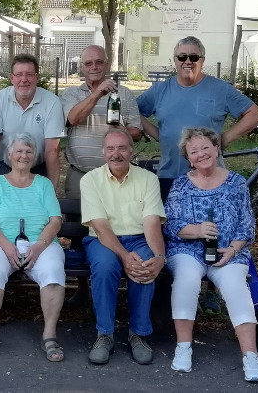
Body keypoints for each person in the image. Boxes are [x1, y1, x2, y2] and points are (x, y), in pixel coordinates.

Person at [163, 127, 258, 382]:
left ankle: (250, 356)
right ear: (188, 157)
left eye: (205, 148)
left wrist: (232, 250)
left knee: (234, 285)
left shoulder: (237, 183)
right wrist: (196, 230)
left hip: (228, 252)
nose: (201, 154)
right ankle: (184, 347)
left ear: (216, 148)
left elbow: (247, 226)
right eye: (193, 151)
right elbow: (170, 224)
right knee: (186, 278)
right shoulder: (181, 185)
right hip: (187, 251)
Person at [0, 132, 65, 362]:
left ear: (34, 157)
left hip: (39, 242)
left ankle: (50, 334)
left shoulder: (43, 184)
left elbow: (55, 220)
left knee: (53, 269)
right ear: (9, 155)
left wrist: (40, 246)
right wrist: (6, 247)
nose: (23, 155)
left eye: (28, 151)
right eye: (19, 151)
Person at [138, 35, 258, 202]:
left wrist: (225, 138)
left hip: (210, 177)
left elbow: (255, 114)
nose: (187, 61)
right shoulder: (159, 90)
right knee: (170, 227)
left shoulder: (220, 89)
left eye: (194, 57)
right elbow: (130, 110)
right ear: (175, 60)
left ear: (202, 60)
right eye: (182, 56)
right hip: (169, 175)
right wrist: (157, 133)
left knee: (208, 227)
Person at [80, 127, 166, 366]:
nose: (115, 154)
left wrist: (159, 256)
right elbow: (100, 226)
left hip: (139, 237)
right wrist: (124, 255)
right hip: (102, 240)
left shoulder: (148, 179)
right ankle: (104, 334)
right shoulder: (90, 180)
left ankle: (138, 333)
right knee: (105, 267)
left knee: (145, 265)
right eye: (110, 148)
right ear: (103, 152)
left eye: (121, 148)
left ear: (131, 151)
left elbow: (151, 223)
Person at [62, 45, 142, 198]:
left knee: (116, 221)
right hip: (80, 174)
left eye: (99, 62)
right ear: (81, 67)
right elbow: (74, 119)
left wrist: (123, 131)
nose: (94, 67)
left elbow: (137, 133)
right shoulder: (72, 93)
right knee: (77, 220)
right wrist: (98, 93)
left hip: (117, 175)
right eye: (88, 63)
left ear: (106, 64)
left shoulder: (124, 94)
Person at [0, 54, 64, 194]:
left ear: (37, 77)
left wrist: (51, 192)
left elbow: (52, 150)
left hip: (38, 168)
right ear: (12, 78)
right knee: (4, 213)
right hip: (5, 167)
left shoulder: (52, 102)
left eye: (29, 74)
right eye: (19, 75)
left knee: (36, 213)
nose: (24, 80)